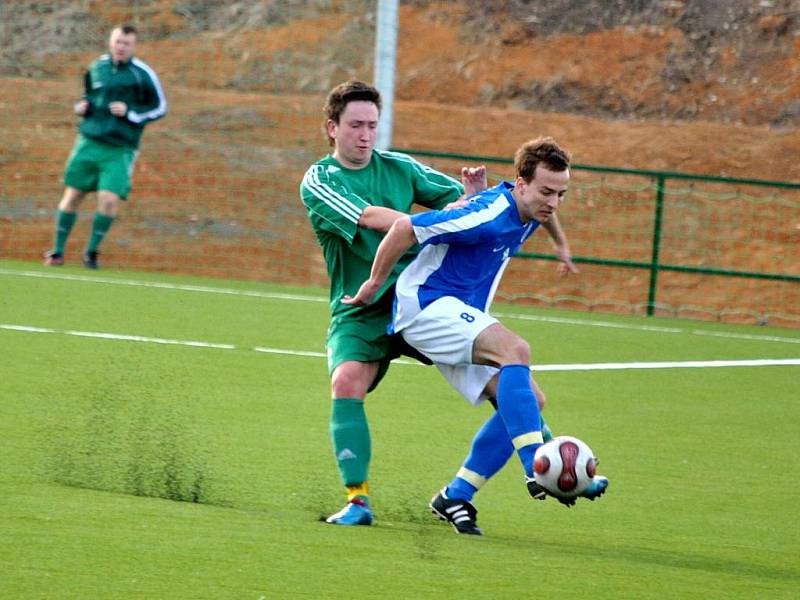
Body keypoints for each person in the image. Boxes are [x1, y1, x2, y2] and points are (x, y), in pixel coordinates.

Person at [343, 136, 609, 535]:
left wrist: (562, 247)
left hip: (459, 313)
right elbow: (402, 228)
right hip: (425, 307)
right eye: (546, 192)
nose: (553, 203)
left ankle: (456, 494)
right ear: (520, 184)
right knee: (516, 350)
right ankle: (537, 463)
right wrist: (373, 284)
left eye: (561, 194)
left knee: (528, 401)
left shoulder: (532, 208)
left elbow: (548, 213)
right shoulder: (486, 215)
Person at [299, 80, 488, 527]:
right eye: (356, 125)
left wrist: (475, 196)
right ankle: (357, 502)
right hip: (360, 305)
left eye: (372, 126)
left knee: (504, 381)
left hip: (420, 300)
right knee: (346, 382)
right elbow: (368, 217)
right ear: (332, 128)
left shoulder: (401, 167)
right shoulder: (320, 179)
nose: (365, 135)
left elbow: (465, 210)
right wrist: (425, 223)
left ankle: (551, 459)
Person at [44, 25, 167, 269]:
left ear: (134, 46)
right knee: (72, 196)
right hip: (89, 142)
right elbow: (88, 96)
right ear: (111, 42)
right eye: (118, 42)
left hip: (119, 148)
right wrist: (82, 107)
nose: (121, 47)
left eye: (126, 43)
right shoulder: (96, 67)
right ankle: (57, 252)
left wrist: (131, 113)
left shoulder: (142, 74)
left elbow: (160, 107)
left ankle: (91, 253)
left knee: (109, 200)